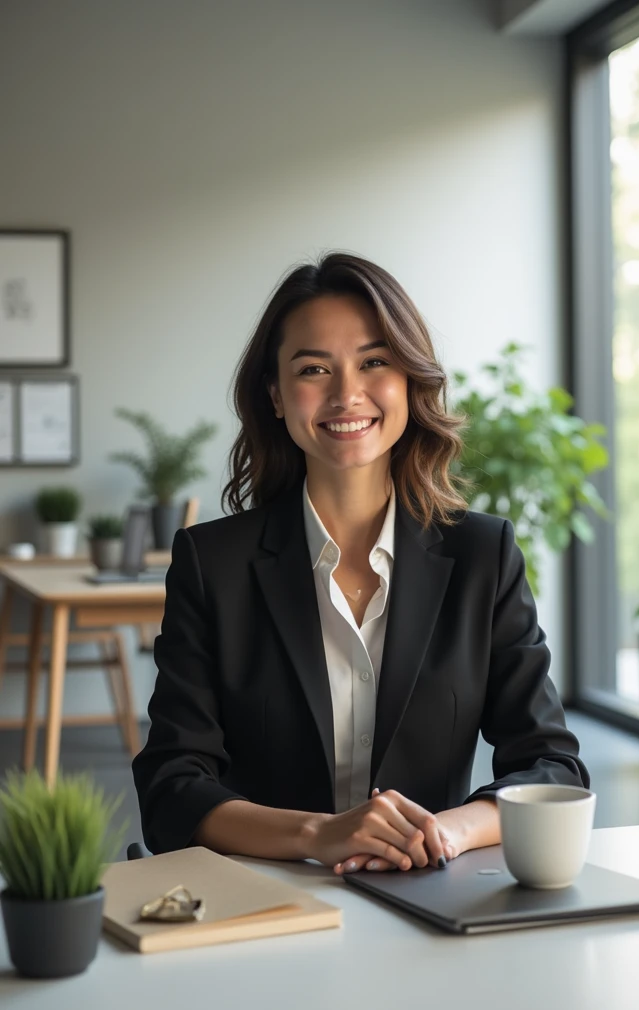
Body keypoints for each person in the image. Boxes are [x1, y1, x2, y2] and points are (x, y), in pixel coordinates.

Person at [132, 252, 590, 876]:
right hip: (267, 905)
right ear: (275, 395)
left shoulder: (483, 555)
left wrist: (445, 831)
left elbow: (552, 765)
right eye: (314, 368)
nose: (347, 394)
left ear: (409, 383)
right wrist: (321, 835)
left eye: (375, 362)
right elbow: (171, 788)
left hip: (430, 895)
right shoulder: (212, 564)